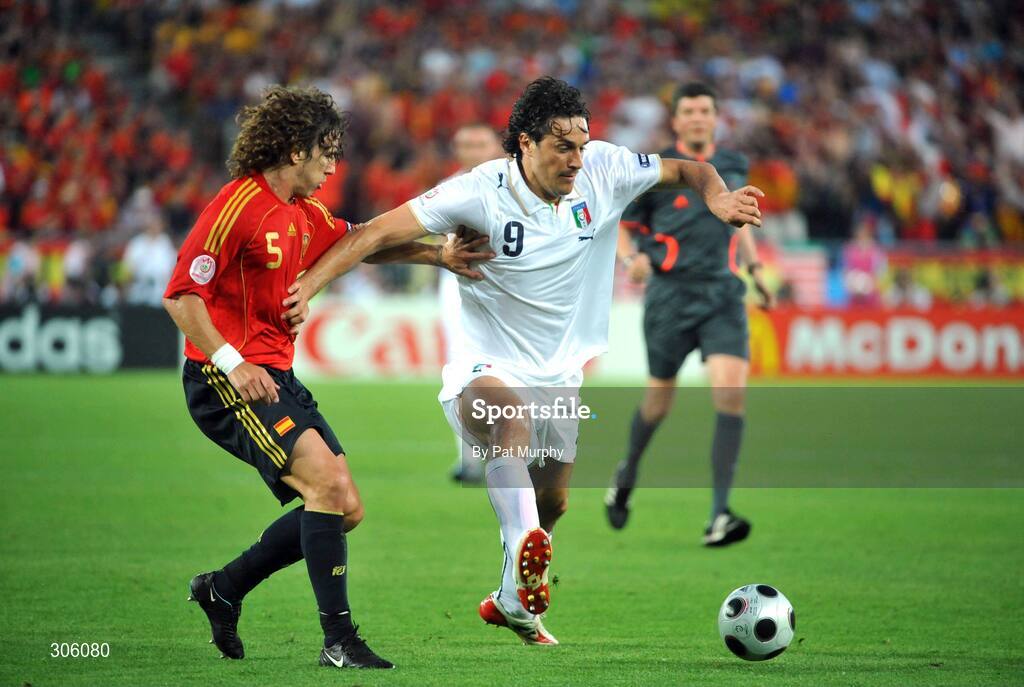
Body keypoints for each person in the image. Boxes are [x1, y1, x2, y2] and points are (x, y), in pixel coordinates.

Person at [281, 77, 763, 645]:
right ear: (525, 144)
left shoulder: (604, 169)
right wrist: (308, 287)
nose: (577, 160)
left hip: (559, 372)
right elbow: (370, 236)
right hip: (484, 364)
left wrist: (718, 198)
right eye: (563, 146)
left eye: (583, 144)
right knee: (510, 428)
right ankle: (524, 548)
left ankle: (512, 596)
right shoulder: (479, 191)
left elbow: (689, 169)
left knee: (554, 499)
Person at [162, 85, 488, 670]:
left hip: (277, 378)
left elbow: (363, 244)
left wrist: (438, 255)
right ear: (293, 150)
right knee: (327, 490)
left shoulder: (304, 214)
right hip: (227, 381)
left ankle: (223, 589)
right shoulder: (237, 206)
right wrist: (234, 363)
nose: (333, 166)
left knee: (347, 508)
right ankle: (338, 639)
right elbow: (182, 297)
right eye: (326, 151)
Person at [605, 82, 775, 546]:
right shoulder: (658, 170)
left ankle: (719, 514)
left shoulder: (735, 165)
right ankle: (627, 472)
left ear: (715, 118)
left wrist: (756, 268)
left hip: (722, 294)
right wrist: (630, 261)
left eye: (705, 110)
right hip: (669, 296)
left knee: (731, 393)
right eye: (689, 111)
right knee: (659, 404)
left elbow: (740, 221)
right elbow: (623, 226)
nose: (698, 117)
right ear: (676, 121)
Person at [442, 123, 505, 484]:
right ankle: (468, 458)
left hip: (504, 281)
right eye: (465, 143)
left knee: (509, 363)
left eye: (479, 142)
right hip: (456, 280)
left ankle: (514, 449)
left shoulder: (513, 183)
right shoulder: (450, 188)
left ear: (495, 146)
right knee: (461, 362)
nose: (472, 149)